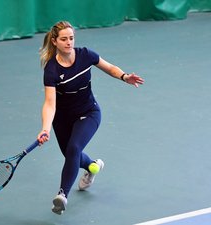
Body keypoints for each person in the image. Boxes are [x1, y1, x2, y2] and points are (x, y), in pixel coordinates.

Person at [37, 21, 144, 215]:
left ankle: (62, 195)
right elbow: (50, 103)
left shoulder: (86, 55)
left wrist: (124, 76)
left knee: (74, 148)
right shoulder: (51, 70)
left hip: (89, 113)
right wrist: (45, 128)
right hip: (62, 119)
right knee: (71, 155)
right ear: (54, 42)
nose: (69, 42)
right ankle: (92, 167)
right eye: (64, 39)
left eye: (71, 38)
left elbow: (109, 67)